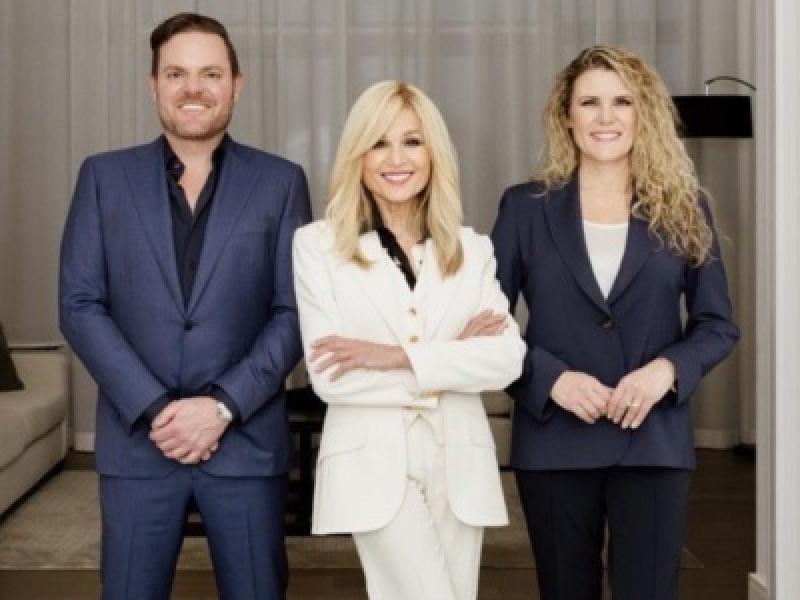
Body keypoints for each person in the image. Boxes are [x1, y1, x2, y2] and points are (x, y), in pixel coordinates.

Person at [59, 13, 310, 600]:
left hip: (245, 444)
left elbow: (295, 311)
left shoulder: (281, 182)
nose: (193, 88)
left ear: (236, 85)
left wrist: (222, 406)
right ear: (154, 84)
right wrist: (157, 411)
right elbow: (79, 305)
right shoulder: (103, 177)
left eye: (210, 74)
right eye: (176, 73)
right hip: (138, 447)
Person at [491, 46, 739, 600]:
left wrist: (665, 371)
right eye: (590, 103)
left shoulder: (685, 207)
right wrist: (549, 379)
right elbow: (485, 325)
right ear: (567, 116)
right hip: (554, 440)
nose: (606, 117)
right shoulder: (524, 208)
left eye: (622, 102)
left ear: (643, 113)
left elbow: (716, 324)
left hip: (652, 441)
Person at [292, 80, 526, 600]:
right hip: (371, 466)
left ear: (433, 153)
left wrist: (394, 357)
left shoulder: (472, 249)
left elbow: (507, 360)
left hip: (460, 465)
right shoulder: (317, 246)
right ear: (357, 156)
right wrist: (452, 362)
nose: (396, 159)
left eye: (412, 142)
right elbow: (331, 378)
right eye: (378, 143)